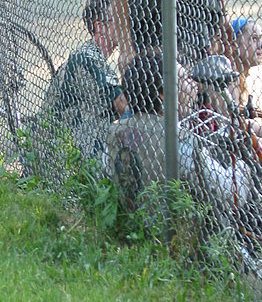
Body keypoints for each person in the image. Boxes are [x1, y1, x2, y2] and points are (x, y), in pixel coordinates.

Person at [106, 54, 250, 210]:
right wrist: (244, 163)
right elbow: (232, 195)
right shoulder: (181, 142)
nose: (194, 86)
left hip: (130, 222)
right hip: (171, 229)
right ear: (163, 94)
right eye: (184, 81)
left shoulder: (113, 132)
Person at [41, 0, 128, 159]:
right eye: (118, 19)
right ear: (100, 27)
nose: (124, 24)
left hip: (62, 149)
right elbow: (124, 106)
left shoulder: (91, 55)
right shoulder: (88, 58)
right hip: (57, 154)